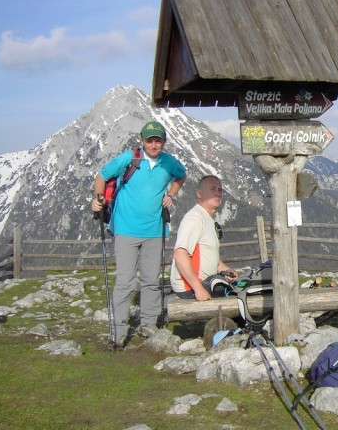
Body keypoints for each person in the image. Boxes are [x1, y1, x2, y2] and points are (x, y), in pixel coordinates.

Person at [91, 121, 186, 347]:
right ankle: (118, 331)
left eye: (158, 140)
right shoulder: (130, 158)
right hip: (125, 229)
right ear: (142, 141)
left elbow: (181, 176)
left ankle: (149, 324)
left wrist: (171, 194)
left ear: (164, 142)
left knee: (151, 280)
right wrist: (98, 198)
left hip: (154, 230)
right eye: (149, 140)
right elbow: (101, 176)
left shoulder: (169, 163)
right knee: (125, 281)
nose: (154, 144)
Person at [170, 175, 238, 301]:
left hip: (203, 282)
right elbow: (180, 254)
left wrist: (227, 270)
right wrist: (198, 289)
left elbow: (210, 258)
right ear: (199, 194)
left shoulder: (208, 219)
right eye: (212, 189)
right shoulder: (195, 218)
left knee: (240, 288)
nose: (217, 193)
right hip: (191, 288)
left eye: (219, 190)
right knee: (238, 298)